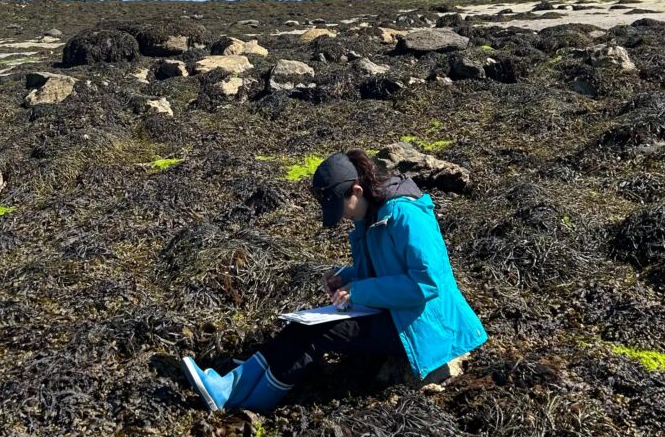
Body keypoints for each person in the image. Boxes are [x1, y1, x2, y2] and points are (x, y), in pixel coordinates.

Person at [181, 149, 488, 413]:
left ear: (356, 190)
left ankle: (254, 402)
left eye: (337, 207)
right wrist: (347, 275)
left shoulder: (405, 215)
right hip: (396, 311)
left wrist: (358, 290)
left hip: (424, 325)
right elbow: (381, 270)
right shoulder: (368, 214)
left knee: (322, 334)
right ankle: (230, 385)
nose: (339, 217)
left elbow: (426, 284)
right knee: (301, 325)